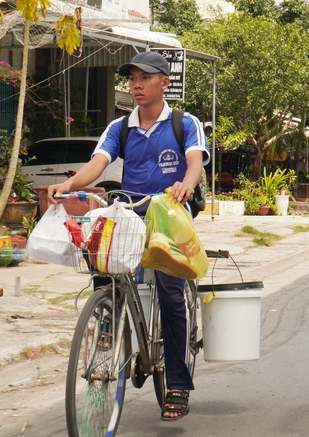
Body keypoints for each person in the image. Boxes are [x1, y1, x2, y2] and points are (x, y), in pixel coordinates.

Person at [47, 51, 210, 420]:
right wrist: (70, 183)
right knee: (103, 267)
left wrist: (186, 185)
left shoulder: (186, 123)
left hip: (169, 214)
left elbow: (195, 161)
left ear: (164, 82)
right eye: (132, 78)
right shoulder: (120, 127)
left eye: (145, 78)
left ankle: (178, 384)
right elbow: (98, 163)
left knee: (169, 291)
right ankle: (109, 329)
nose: (136, 84)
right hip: (132, 210)